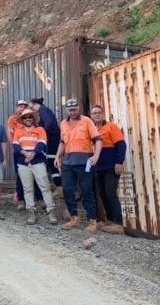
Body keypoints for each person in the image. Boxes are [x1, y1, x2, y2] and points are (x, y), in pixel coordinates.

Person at [54, 98, 102, 233]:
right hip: (68, 162)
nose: (72, 112)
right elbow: (62, 142)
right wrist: (58, 156)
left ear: (78, 109)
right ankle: (74, 217)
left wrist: (96, 155)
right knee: (68, 190)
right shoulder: (63, 123)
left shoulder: (86, 121)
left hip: (84, 161)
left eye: (74, 109)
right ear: (67, 110)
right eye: (70, 110)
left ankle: (92, 221)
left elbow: (98, 140)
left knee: (87, 190)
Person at [13, 109, 57, 225]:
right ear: (22, 120)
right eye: (25, 117)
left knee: (45, 187)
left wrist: (31, 155)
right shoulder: (18, 131)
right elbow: (16, 146)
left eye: (30, 117)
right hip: (23, 163)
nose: (27, 119)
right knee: (27, 189)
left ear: (34, 118)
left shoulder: (40, 129)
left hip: (38, 161)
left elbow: (42, 144)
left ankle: (51, 211)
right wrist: (25, 154)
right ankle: (31, 211)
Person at [90, 105, 126, 235]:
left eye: (99, 112)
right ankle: (110, 221)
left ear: (103, 114)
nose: (97, 115)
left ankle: (118, 223)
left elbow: (121, 144)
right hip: (98, 167)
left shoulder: (111, 127)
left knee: (110, 192)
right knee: (103, 194)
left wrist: (119, 162)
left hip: (111, 166)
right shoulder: (91, 129)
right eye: (94, 113)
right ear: (91, 116)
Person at [30, 98, 62, 195]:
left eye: (31, 107)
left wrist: (42, 133)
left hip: (52, 140)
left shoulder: (42, 110)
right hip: (52, 139)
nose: (31, 109)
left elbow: (49, 123)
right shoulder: (44, 110)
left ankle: (59, 187)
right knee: (49, 162)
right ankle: (55, 186)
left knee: (52, 162)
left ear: (35, 104)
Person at [6, 100, 30, 210]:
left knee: (33, 175)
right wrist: (15, 148)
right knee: (20, 175)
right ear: (16, 108)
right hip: (18, 151)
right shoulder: (12, 119)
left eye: (24, 106)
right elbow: (11, 135)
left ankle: (34, 200)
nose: (22, 108)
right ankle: (20, 199)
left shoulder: (30, 118)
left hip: (31, 150)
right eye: (20, 106)